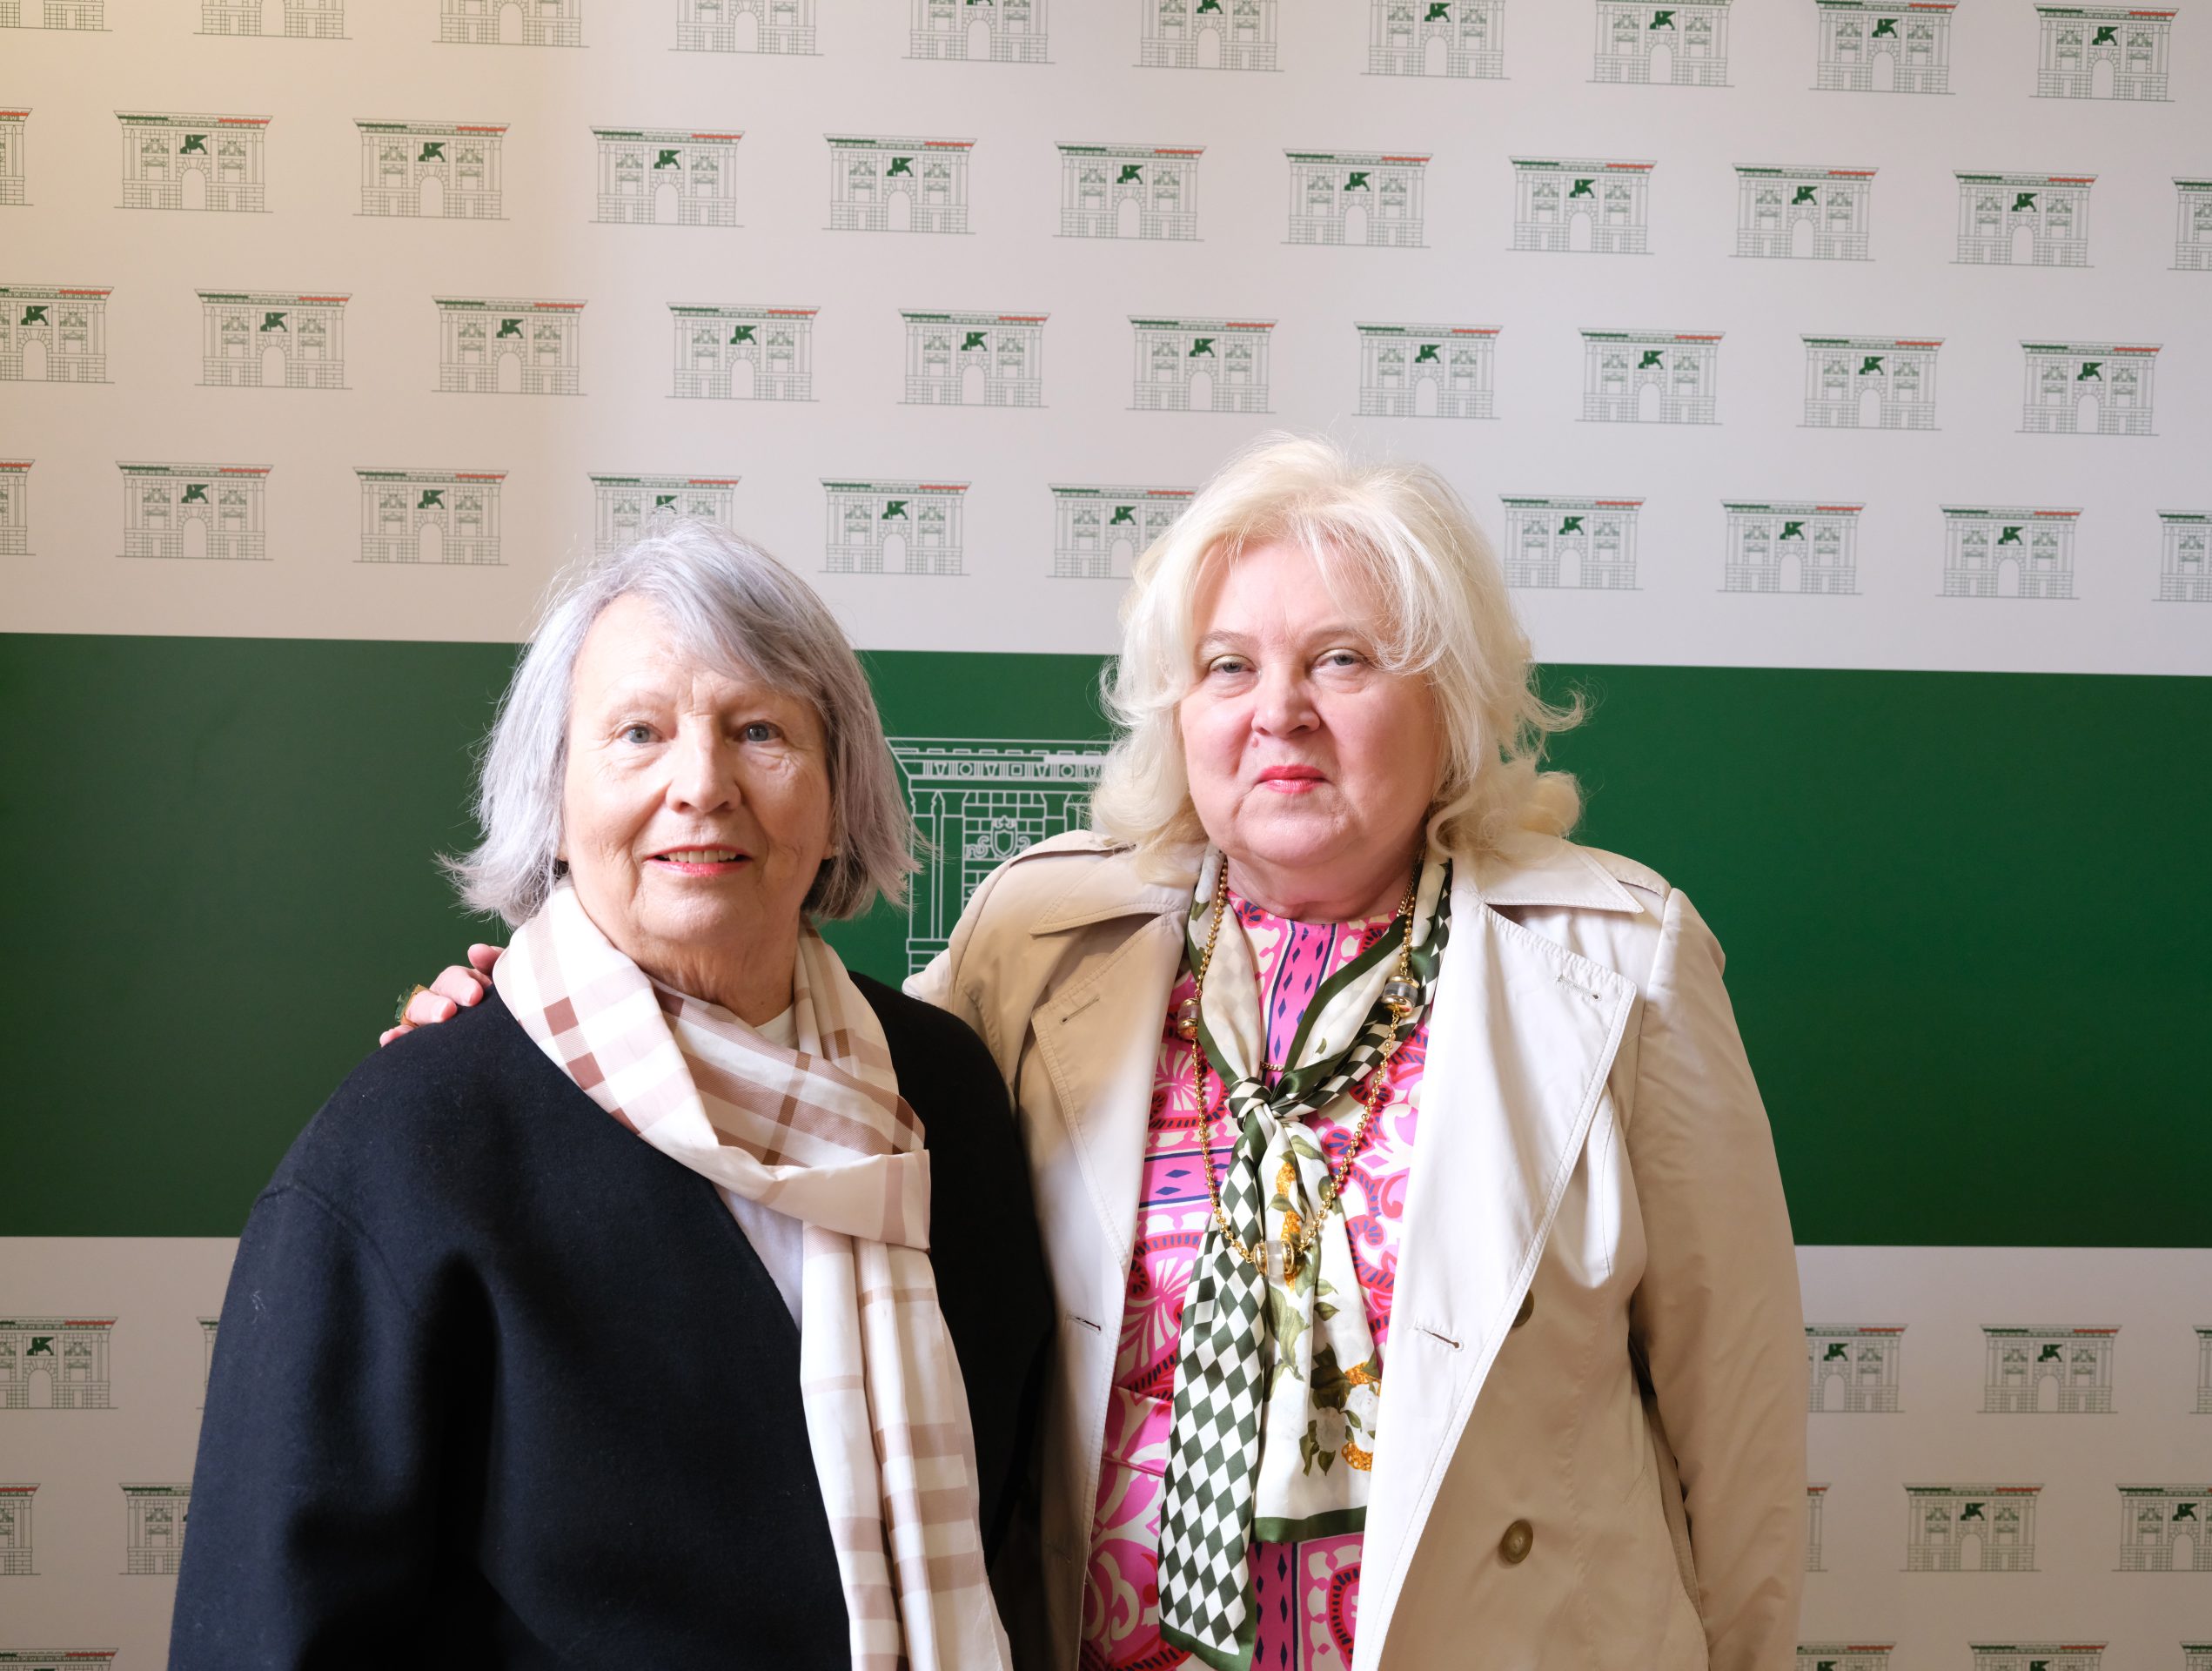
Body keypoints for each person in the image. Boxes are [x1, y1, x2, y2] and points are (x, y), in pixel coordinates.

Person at [398, 436, 1808, 1671]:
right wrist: (540, 1018)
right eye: (1228, 667)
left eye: (1341, 660)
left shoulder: (1616, 962)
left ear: (1451, 699)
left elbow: (1736, 1439)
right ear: (1178, 712)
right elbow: (791, 1083)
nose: (1280, 711)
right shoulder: (1044, 935)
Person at [175, 523, 1050, 1670]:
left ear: (838, 791)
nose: (702, 786)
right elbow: (270, 1631)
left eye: (760, 731)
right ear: (554, 795)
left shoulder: (948, 1097)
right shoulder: (406, 1148)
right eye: (639, 733)